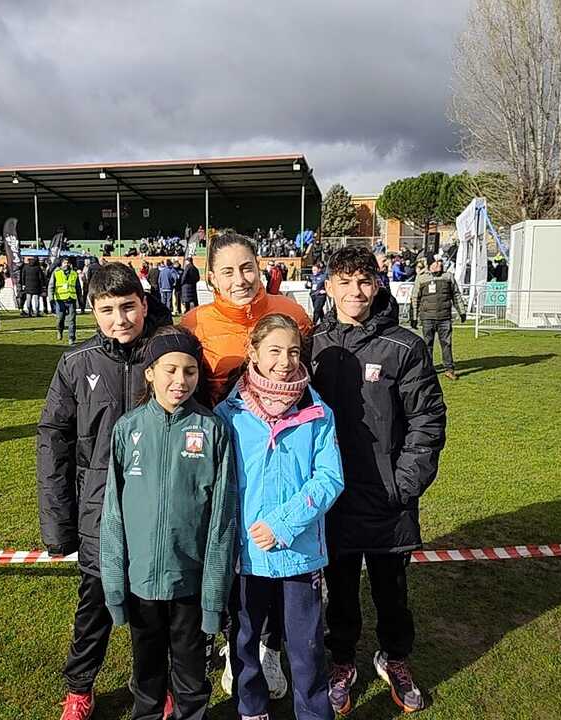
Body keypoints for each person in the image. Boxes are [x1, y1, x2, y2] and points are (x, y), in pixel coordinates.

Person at [310, 247, 446, 715]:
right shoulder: (315, 344)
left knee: (392, 591)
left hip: (388, 499)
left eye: (364, 281)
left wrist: (402, 486)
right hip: (332, 498)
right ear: (328, 286)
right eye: (344, 281)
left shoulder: (405, 346)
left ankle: (395, 658)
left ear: (378, 284)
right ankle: (342, 661)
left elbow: (427, 422)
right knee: (340, 590)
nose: (355, 291)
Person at [36, 263, 172, 720]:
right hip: (99, 513)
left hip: (158, 510)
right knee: (94, 604)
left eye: (128, 307)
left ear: (144, 304)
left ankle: (154, 686)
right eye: (107, 309)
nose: (120, 319)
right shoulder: (75, 364)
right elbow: (53, 442)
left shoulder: (169, 352)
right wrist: (58, 525)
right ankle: (79, 688)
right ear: (92, 311)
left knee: (153, 610)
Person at [182, 231, 312, 698]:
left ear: (260, 267)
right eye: (228, 271)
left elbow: (306, 385)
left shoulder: (294, 314)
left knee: (280, 553)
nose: (240, 279)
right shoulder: (194, 322)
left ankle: (270, 648)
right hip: (225, 459)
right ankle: (233, 644)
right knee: (229, 560)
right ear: (211, 277)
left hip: (282, 459)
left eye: (247, 267)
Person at [101, 326, 237, 720]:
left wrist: (213, 599)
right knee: (147, 676)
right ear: (150, 372)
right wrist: (115, 588)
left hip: (191, 584)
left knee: (192, 678)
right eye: (171, 370)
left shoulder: (212, 429)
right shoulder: (128, 429)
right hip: (141, 583)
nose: (180, 381)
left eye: (190, 372)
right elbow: (112, 515)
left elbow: (221, 521)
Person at [215, 314, 344, 720]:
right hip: (246, 554)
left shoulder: (319, 412)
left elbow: (329, 478)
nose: (285, 361)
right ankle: (251, 710)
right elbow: (222, 484)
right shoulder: (227, 414)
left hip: (299, 553)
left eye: (293, 351)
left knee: (306, 649)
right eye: (274, 350)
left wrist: (283, 524)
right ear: (253, 351)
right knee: (245, 642)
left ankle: (314, 714)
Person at [410, 259, 467, 380]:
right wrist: (413, 317)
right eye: (436, 262)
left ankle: (449, 369)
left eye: (440, 262)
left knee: (447, 344)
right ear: (430, 265)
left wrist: (462, 311)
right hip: (427, 318)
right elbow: (415, 297)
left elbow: (456, 295)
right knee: (427, 345)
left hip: (444, 318)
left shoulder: (448, 276)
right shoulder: (421, 278)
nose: (439, 265)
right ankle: (428, 369)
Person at [48, 257, 83, 343]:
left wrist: (80, 299)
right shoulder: (56, 273)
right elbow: (51, 286)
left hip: (71, 300)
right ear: (61, 264)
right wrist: (51, 299)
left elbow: (78, 288)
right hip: (60, 300)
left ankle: (71, 337)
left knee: (72, 320)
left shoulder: (74, 274)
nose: (66, 264)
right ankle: (60, 330)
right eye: (64, 263)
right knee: (60, 319)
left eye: (67, 263)